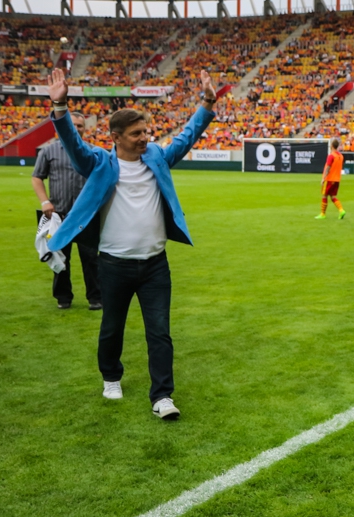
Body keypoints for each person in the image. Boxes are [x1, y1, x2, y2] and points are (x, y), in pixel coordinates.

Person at [44, 68, 216, 420]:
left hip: (155, 265)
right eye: (136, 134)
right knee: (112, 328)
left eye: (146, 132)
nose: (144, 138)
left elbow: (186, 137)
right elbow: (74, 145)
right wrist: (60, 106)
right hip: (113, 265)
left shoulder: (157, 157)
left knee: (160, 332)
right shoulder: (99, 163)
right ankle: (111, 377)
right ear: (116, 137)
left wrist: (208, 102)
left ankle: (162, 396)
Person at [31, 111, 101, 310]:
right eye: (73, 125)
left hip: (86, 216)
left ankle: (96, 298)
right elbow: (37, 177)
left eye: (80, 126)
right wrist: (45, 201)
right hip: (58, 216)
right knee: (60, 258)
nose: (76, 129)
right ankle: (63, 298)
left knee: (91, 259)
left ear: (85, 129)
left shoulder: (93, 152)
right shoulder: (48, 151)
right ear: (63, 126)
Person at [316, 138, 346, 220]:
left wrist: (323, 178)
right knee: (333, 196)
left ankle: (323, 214)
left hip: (329, 179)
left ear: (332, 146)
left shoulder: (331, 156)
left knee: (324, 195)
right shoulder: (341, 156)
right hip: (337, 179)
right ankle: (341, 210)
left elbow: (328, 167)